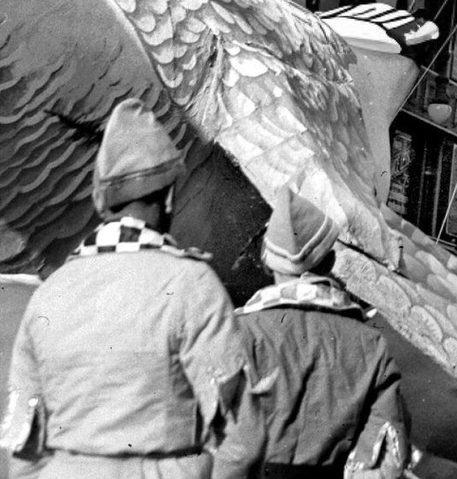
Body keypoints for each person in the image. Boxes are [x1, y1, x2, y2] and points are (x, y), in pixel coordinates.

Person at [1, 98, 264, 478]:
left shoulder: (50, 292)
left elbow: (23, 443)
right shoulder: (191, 284)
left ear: (100, 200)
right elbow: (241, 439)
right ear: (170, 197)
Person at [237, 185, 409, 479]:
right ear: (330, 262)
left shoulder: (237, 333)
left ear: (266, 264)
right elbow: (385, 460)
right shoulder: (371, 344)